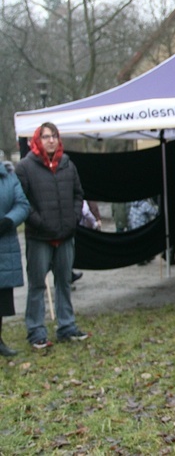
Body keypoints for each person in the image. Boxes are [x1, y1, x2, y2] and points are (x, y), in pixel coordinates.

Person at [15, 122, 89, 350]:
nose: (50, 140)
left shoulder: (68, 165)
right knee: (37, 285)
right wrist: (40, 222)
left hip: (65, 235)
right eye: (46, 136)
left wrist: (73, 218)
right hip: (39, 237)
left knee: (64, 282)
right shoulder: (25, 167)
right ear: (38, 140)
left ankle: (67, 326)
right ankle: (36, 331)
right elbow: (22, 201)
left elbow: (78, 194)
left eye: (54, 136)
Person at [0, 160, 31, 356]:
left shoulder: (8, 177)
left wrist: (8, 221)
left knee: (0, 297)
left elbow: (22, 204)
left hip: (4, 245)